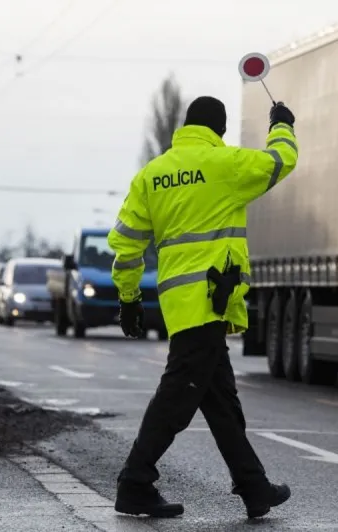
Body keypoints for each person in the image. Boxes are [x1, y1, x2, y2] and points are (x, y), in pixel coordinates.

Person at [106, 95, 299, 520]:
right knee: (177, 397)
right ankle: (134, 483)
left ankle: (254, 487)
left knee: (220, 401)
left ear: (184, 126)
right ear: (220, 130)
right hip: (210, 301)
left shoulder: (152, 174)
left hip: (179, 303)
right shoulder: (225, 164)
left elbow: (126, 244)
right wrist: (281, 124)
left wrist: (129, 297)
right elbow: (280, 161)